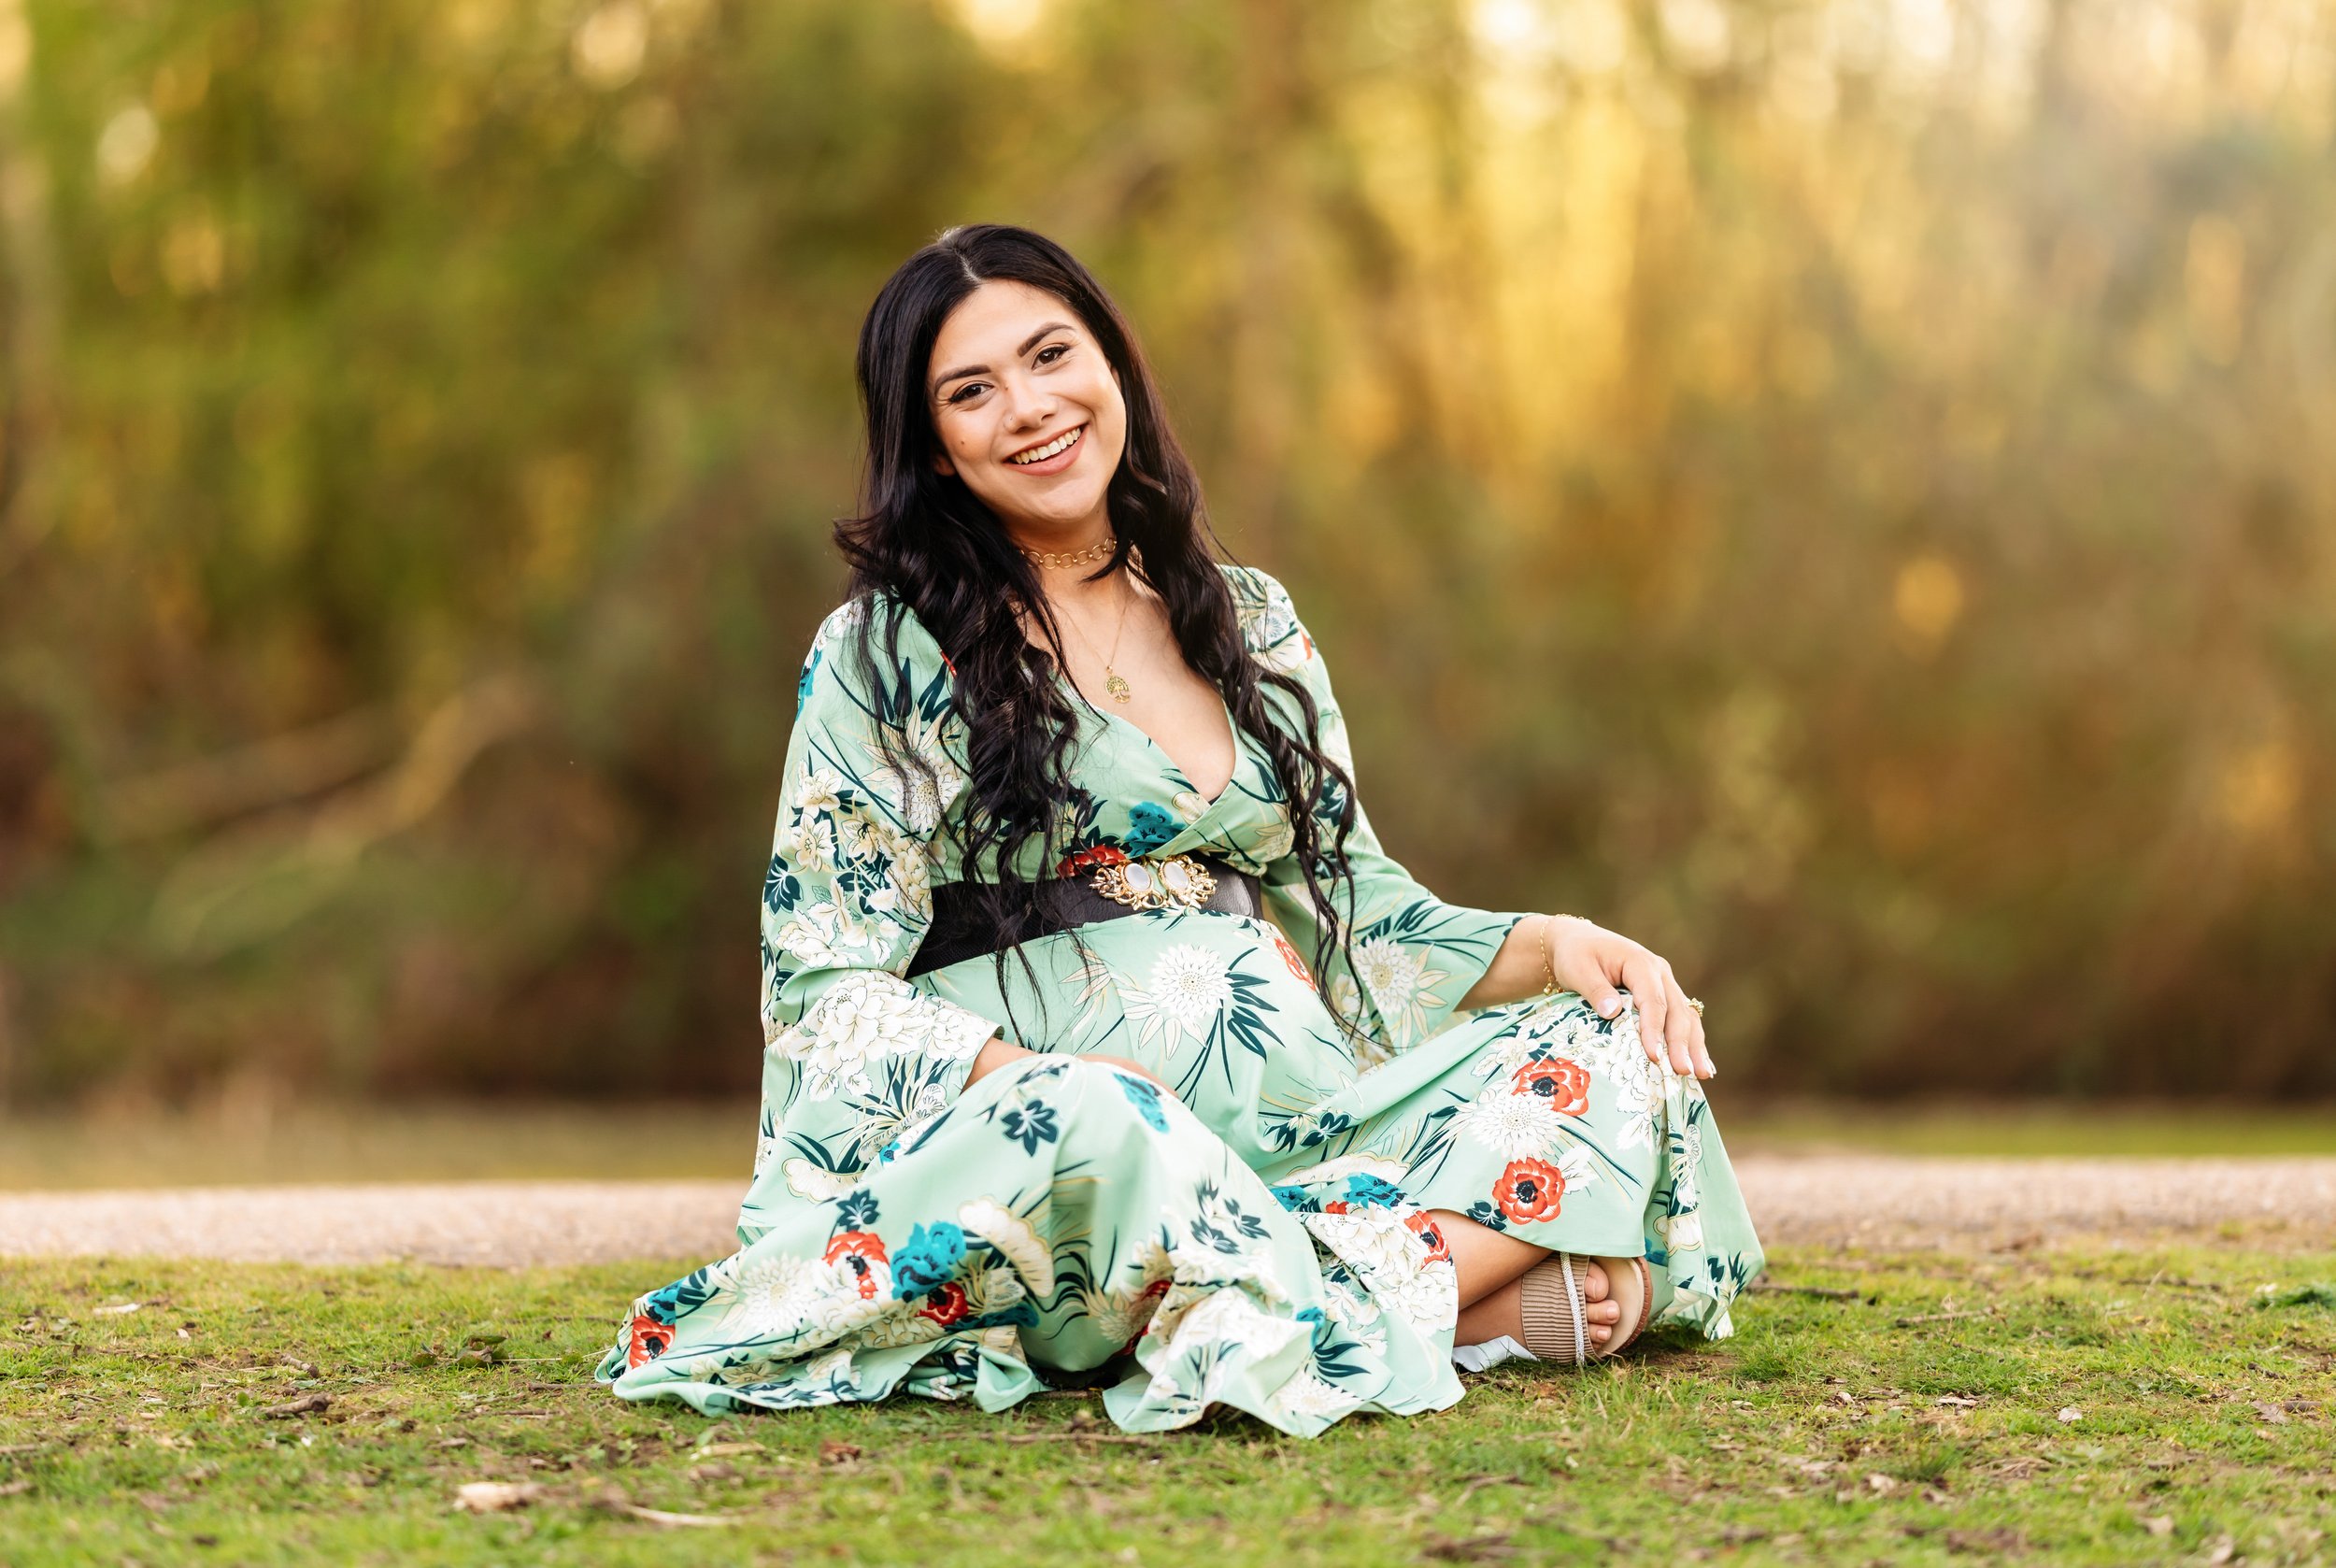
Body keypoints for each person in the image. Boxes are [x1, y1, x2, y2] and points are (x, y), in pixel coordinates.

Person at [598, 224, 1764, 1435]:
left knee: (1615, 1037)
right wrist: (1040, 1081)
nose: (1030, 407)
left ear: (1114, 364)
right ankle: (1433, 1297)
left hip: (1285, 1131)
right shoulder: (887, 654)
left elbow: (1370, 914)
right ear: (935, 451)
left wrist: (1565, 942)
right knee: (1115, 1126)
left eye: (1053, 355)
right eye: (972, 390)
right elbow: (823, 979)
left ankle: (1296, 1301)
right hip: (1065, 1148)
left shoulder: (1247, 619)